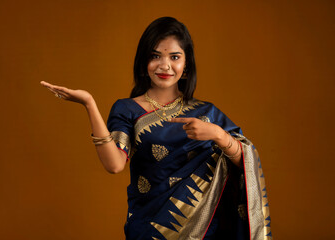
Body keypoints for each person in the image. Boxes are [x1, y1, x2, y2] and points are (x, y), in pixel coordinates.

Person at [40, 17, 271, 240]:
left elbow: (246, 163)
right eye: (155, 56)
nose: (165, 65)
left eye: (174, 57)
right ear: (144, 63)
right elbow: (114, 165)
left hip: (200, 231)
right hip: (148, 226)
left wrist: (219, 135)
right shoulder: (127, 109)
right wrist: (89, 103)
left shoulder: (208, 113)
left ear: (186, 65)